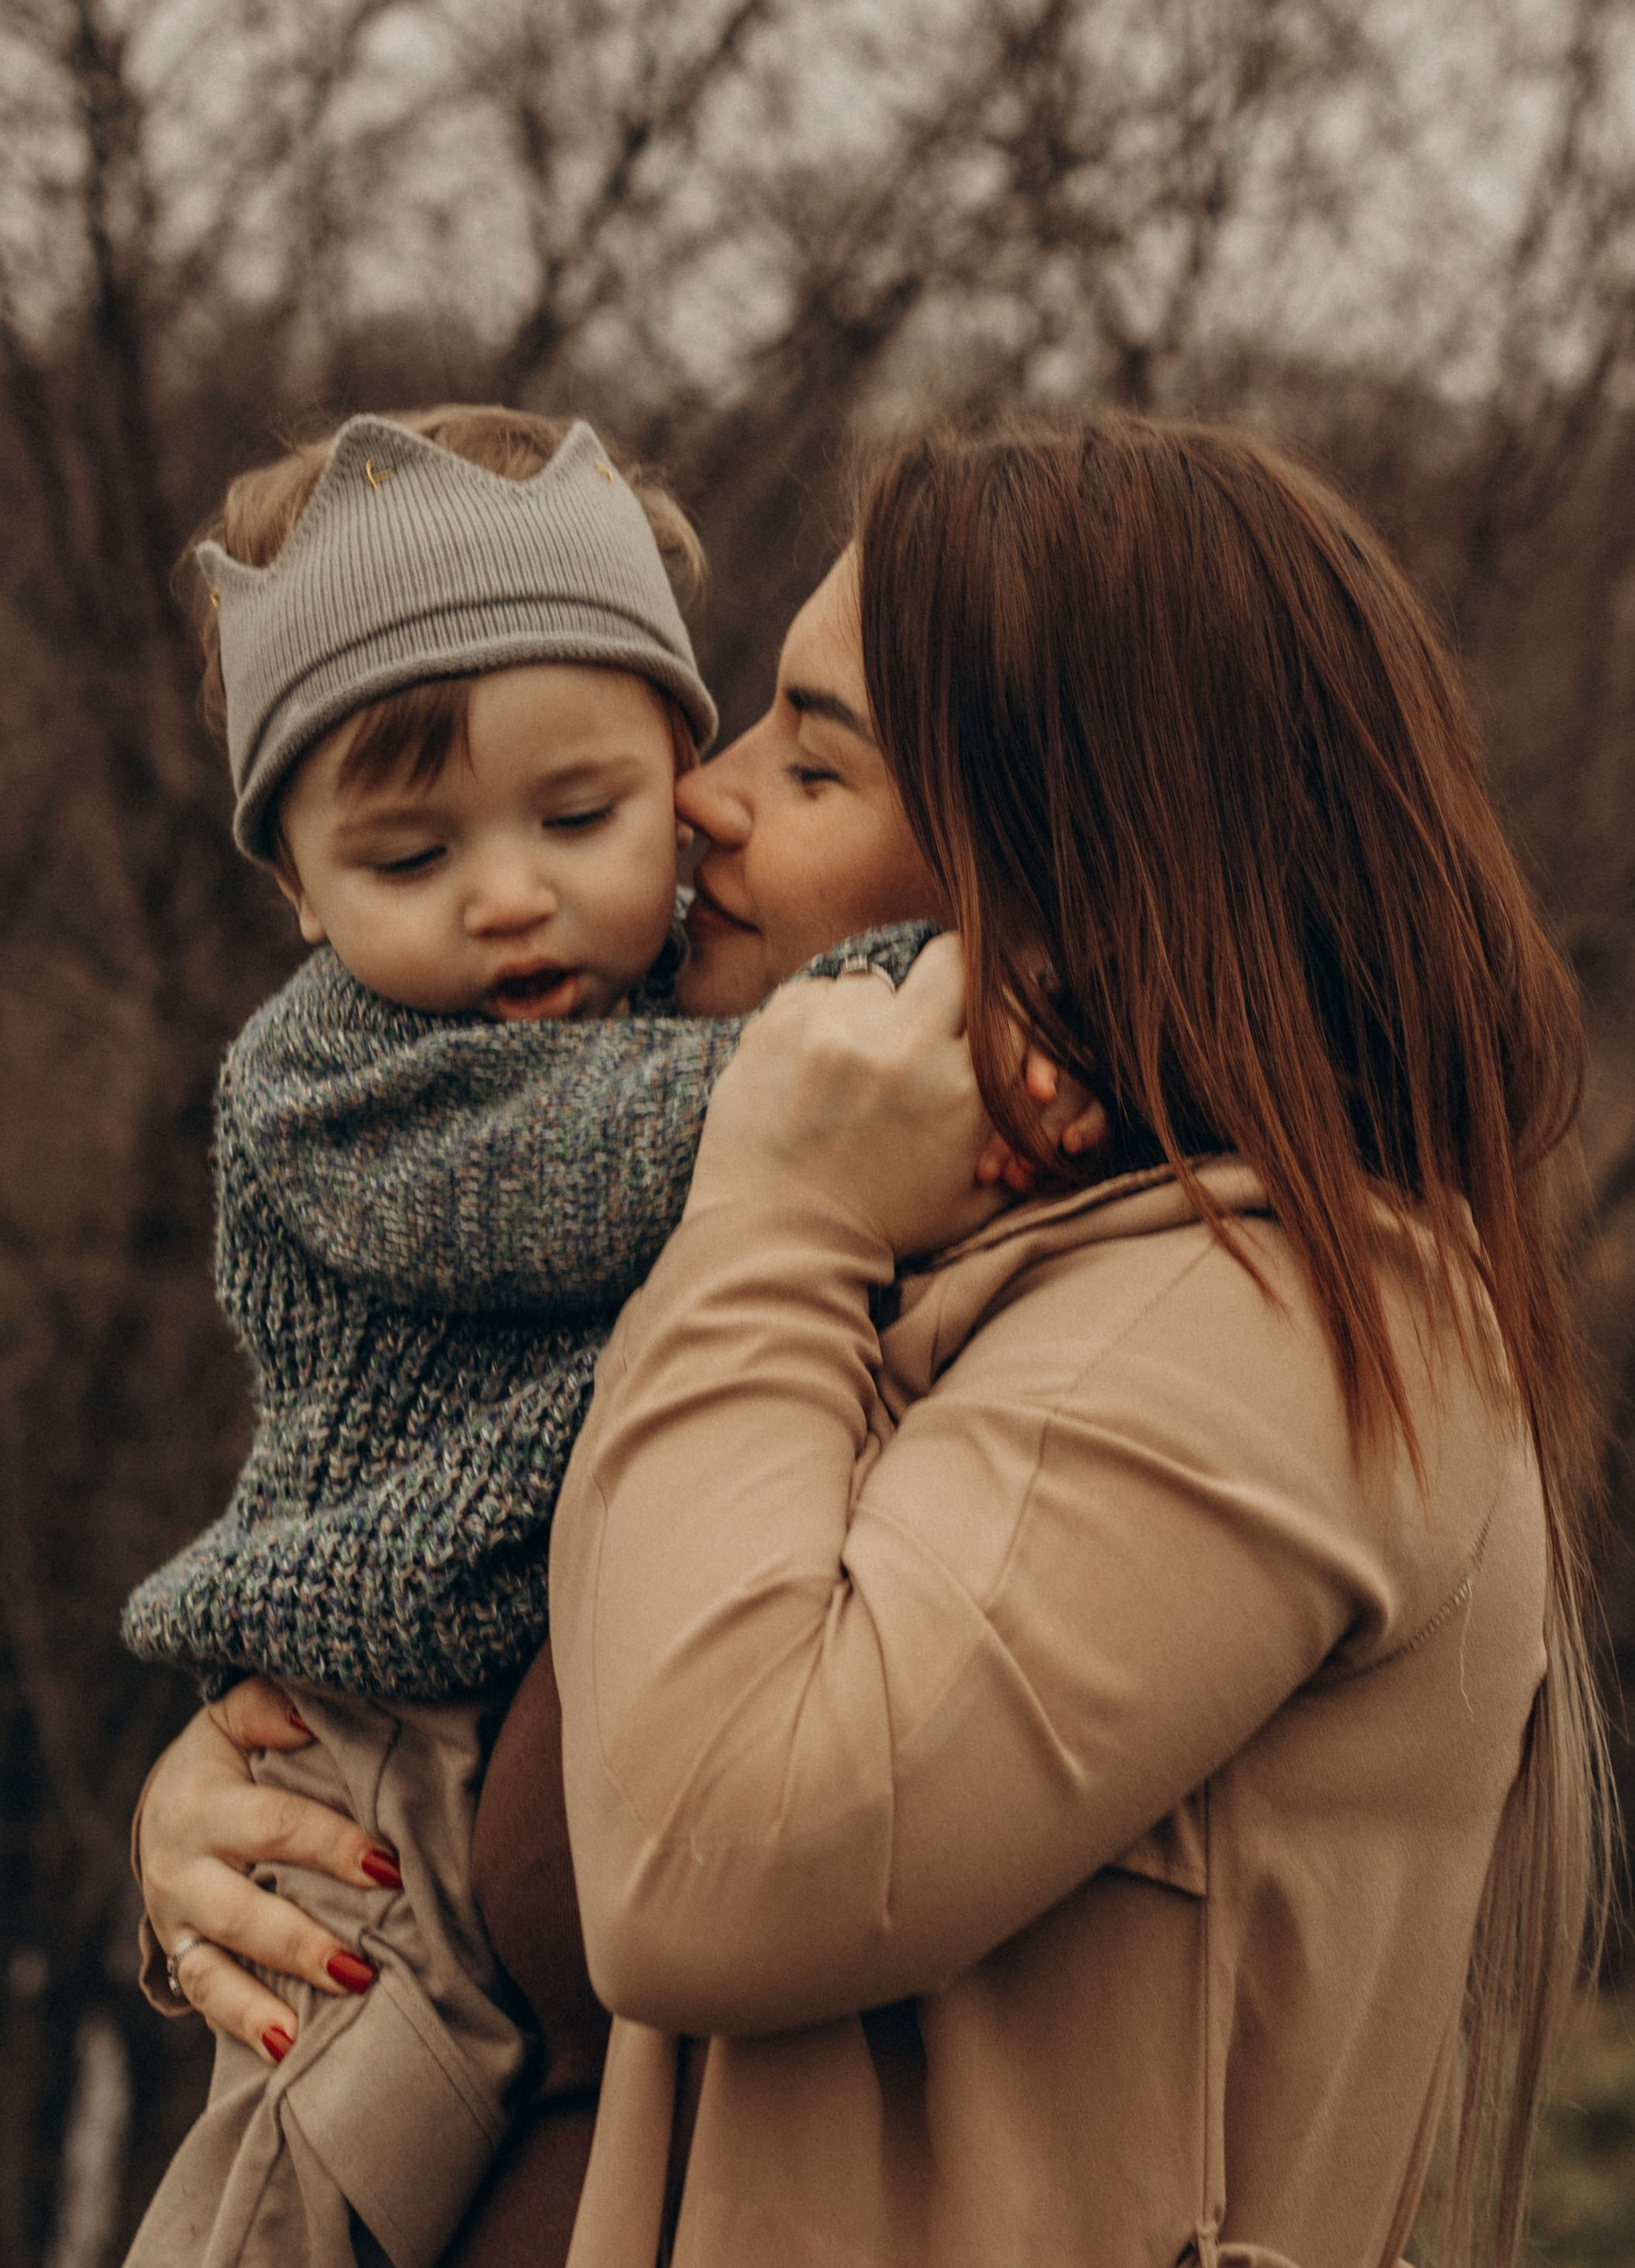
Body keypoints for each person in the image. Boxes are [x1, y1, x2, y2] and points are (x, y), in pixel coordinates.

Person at [133, 413, 1606, 2268]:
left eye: (810, 760)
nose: (706, 800)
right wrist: (244, 1792)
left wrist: (782, 1200)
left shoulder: (1284, 1323)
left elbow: (717, 1859)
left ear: (1075, 852)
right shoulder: (918, 1273)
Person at [118, 401, 933, 2268]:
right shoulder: (332, 1084)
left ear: (678, 769)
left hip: (534, 1708)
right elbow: (588, 1163)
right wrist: (901, 1017)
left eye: (578, 817)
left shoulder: (676, 990)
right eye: (408, 858)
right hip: (371, 1722)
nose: (507, 895)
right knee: (310, 2156)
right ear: (298, 891)